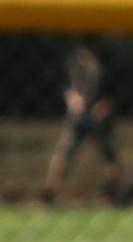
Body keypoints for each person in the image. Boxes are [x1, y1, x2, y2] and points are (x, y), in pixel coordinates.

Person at [43, 42, 122, 203]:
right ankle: (49, 192)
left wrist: (105, 104)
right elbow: (62, 84)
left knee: (109, 155)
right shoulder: (72, 60)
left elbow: (115, 86)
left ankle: (116, 192)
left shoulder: (106, 59)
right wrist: (70, 97)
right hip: (78, 115)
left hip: (98, 116)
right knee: (65, 153)